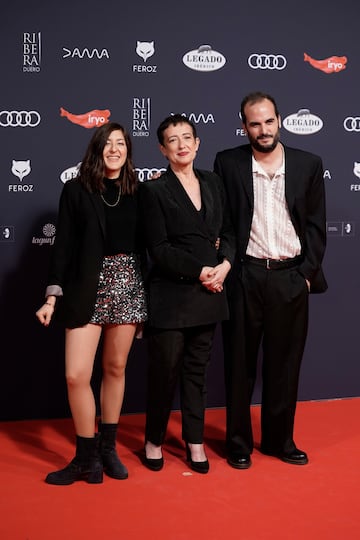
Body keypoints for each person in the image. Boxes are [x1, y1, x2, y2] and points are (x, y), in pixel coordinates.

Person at [214, 91, 327, 469]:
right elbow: (225, 224)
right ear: (244, 125)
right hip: (245, 276)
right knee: (239, 366)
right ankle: (238, 443)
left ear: (280, 120)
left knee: (285, 365)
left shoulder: (308, 164)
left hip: (290, 277)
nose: (263, 130)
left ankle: (280, 441)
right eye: (255, 123)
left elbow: (315, 226)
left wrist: (306, 276)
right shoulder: (228, 163)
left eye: (269, 121)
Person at [36, 122, 147, 485]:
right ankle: (85, 457)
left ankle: (107, 449)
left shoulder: (140, 192)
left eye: (121, 143)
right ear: (96, 149)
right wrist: (52, 297)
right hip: (87, 287)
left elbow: (153, 245)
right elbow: (63, 247)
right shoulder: (76, 190)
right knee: (76, 375)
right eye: (107, 143)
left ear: (128, 150)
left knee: (115, 369)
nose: (114, 149)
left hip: (128, 284)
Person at [139, 114, 235, 473]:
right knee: (164, 373)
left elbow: (229, 230)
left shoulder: (213, 182)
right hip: (171, 295)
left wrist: (225, 265)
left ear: (197, 144)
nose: (181, 145)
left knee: (197, 372)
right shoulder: (153, 190)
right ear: (163, 149)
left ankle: (195, 441)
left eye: (186, 138)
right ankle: (153, 440)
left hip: (211, 292)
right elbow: (159, 248)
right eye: (172, 140)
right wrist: (199, 271)